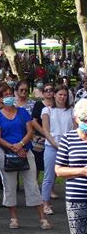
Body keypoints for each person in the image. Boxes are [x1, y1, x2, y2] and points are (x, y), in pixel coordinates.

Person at [0, 90, 52, 230]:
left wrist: (21, 145)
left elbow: (30, 131)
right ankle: (13, 218)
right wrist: (12, 147)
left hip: (25, 151)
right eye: (5, 95)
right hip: (6, 153)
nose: (8, 97)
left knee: (32, 185)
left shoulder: (23, 112)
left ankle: (43, 218)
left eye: (10, 94)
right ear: (0, 99)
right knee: (9, 186)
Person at [55, 99, 87, 234]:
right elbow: (58, 170)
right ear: (76, 119)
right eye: (84, 118)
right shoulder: (68, 138)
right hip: (76, 198)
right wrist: (81, 171)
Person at [41, 85, 75, 215]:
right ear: (54, 95)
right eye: (60, 94)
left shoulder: (71, 110)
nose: (62, 97)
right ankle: (45, 203)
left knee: (71, 176)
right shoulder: (47, 110)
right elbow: (46, 130)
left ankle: (72, 202)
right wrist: (56, 145)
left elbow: (74, 129)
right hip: (52, 146)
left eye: (65, 95)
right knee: (49, 176)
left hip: (68, 146)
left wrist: (68, 145)